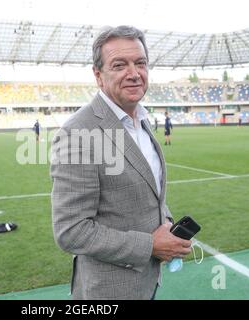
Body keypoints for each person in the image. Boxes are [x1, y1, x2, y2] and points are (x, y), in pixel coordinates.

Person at [50, 26, 191, 300]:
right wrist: (151, 245)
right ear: (98, 75)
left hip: (147, 283)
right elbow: (71, 231)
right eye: (119, 65)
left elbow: (149, 192)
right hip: (108, 291)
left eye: (140, 63)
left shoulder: (140, 119)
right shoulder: (77, 134)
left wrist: (168, 224)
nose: (134, 73)